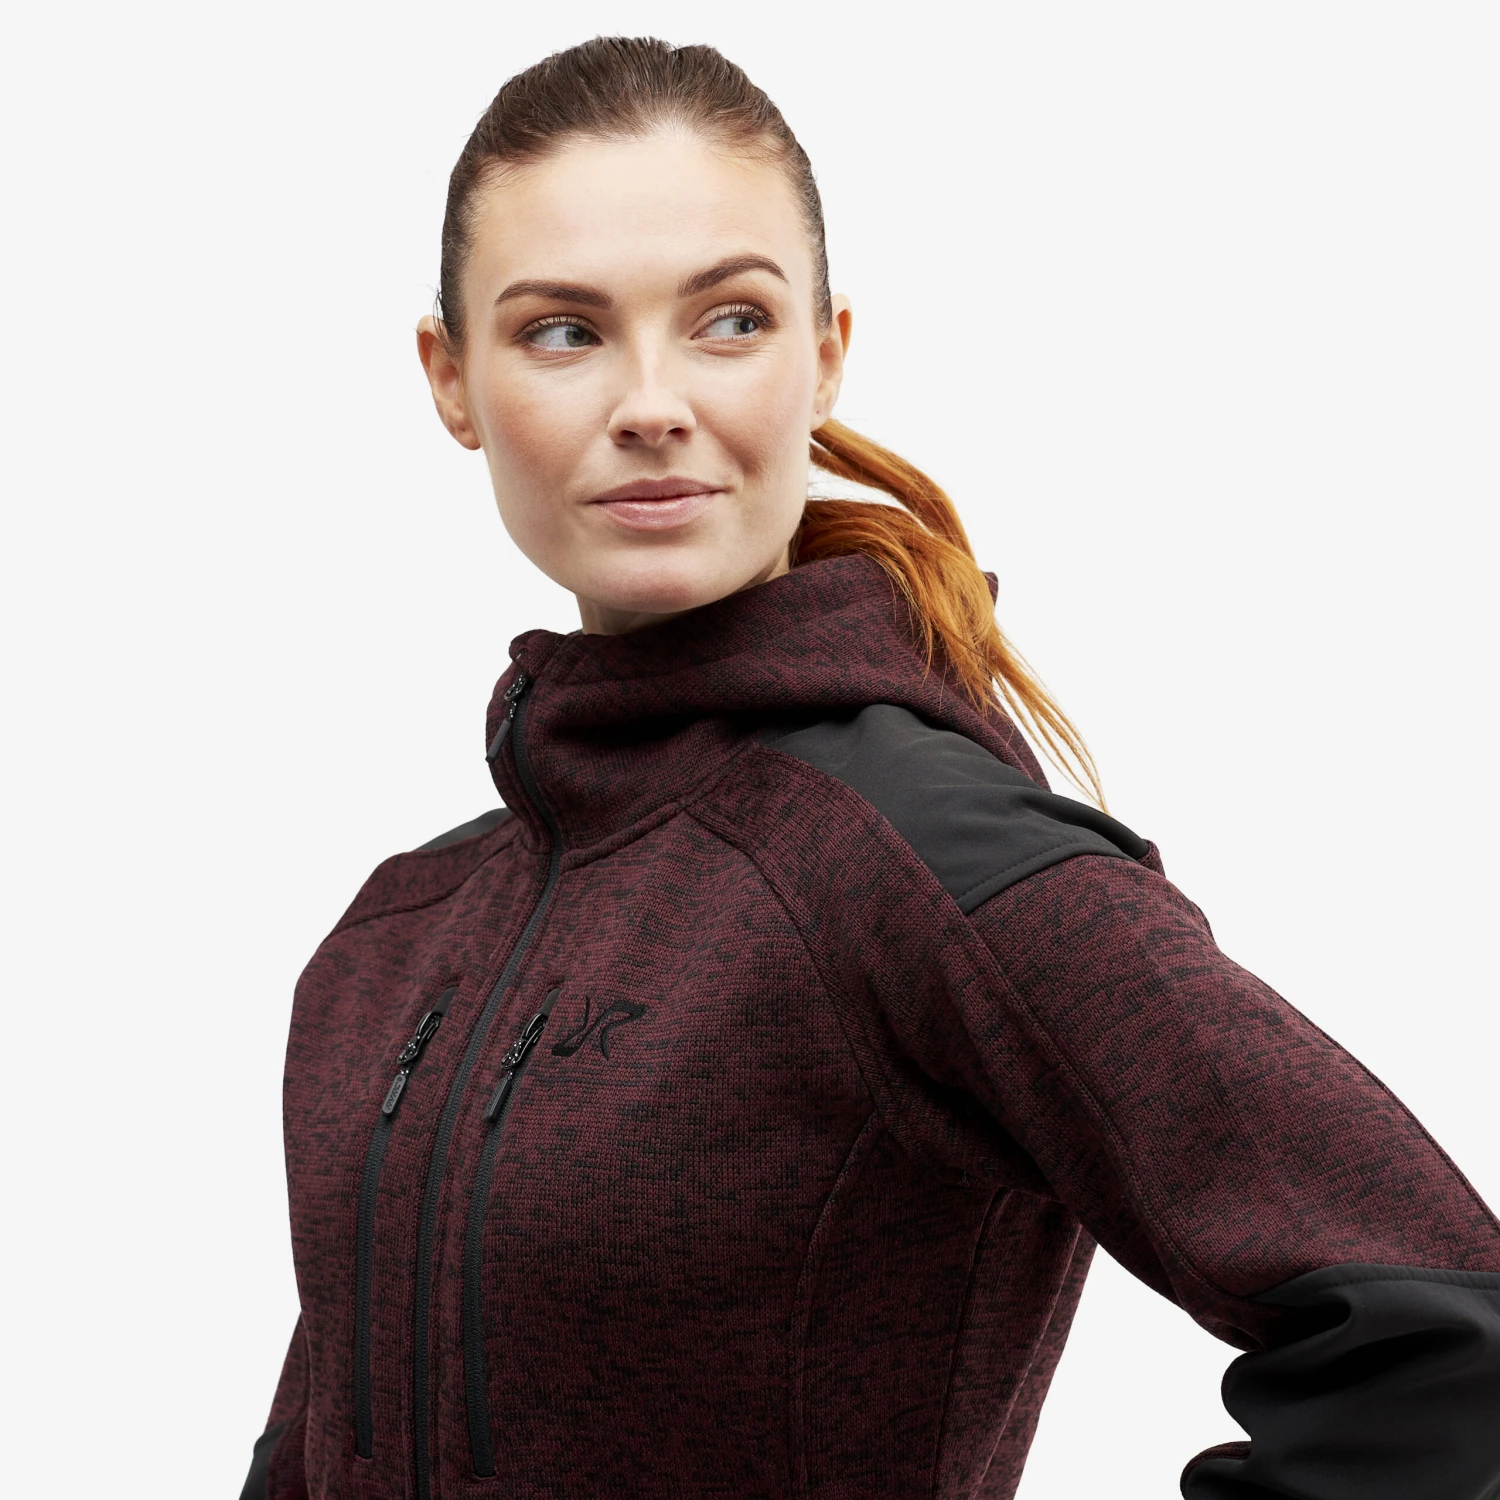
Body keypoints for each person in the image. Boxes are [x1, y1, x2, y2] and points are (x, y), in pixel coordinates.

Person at [239, 35, 1500, 1500]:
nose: (650, 401)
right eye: (564, 333)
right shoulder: (394, 936)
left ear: (826, 355)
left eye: (729, 321)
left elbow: (1453, 1355)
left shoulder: (915, 855)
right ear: (451, 379)